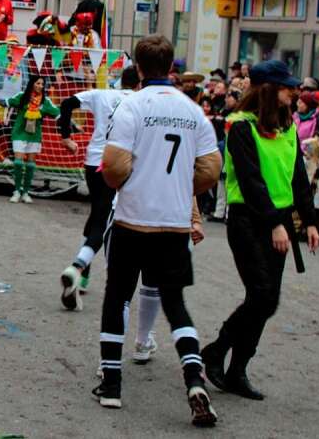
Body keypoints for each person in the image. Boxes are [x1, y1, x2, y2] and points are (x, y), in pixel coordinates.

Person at [96, 34, 221, 426]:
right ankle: (193, 378)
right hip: (173, 222)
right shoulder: (193, 110)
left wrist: (131, 182)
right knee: (175, 302)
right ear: (170, 67)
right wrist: (182, 188)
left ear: (137, 65)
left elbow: (114, 165)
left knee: (117, 296)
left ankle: (112, 384)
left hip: (134, 217)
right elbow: (211, 168)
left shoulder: (132, 105)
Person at [202, 60, 319, 401]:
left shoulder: (288, 127)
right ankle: (217, 350)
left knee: (267, 301)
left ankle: (237, 368)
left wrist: (309, 220)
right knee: (263, 295)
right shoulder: (240, 126)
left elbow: (298, 177)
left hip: (277, 220)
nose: (294, 92)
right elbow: (252, 182)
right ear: (268, 89)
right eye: (287, 87)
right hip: (248, 220)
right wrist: (274, 224)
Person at [57, 66, 139, 310]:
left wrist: (65, 136)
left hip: (93, 162)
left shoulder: (100, 94)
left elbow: (66, 104)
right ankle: (77, 267)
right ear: (138, 84)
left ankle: (83, 276)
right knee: (106, 220)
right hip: (118, 164)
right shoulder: (139, 101)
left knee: (98, 213)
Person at [0, 74, 60, 204]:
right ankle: (17, 191)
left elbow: (59, 115)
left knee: (30, 164)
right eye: (37, 83)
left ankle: (26, 192)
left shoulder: (46, 101)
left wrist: (74, 125)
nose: (40, 86)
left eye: (42, 84)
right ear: (32, 84)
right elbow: (5, 102)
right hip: (19, 133)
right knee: (18, 162)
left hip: (34, 135)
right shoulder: (22, 97)